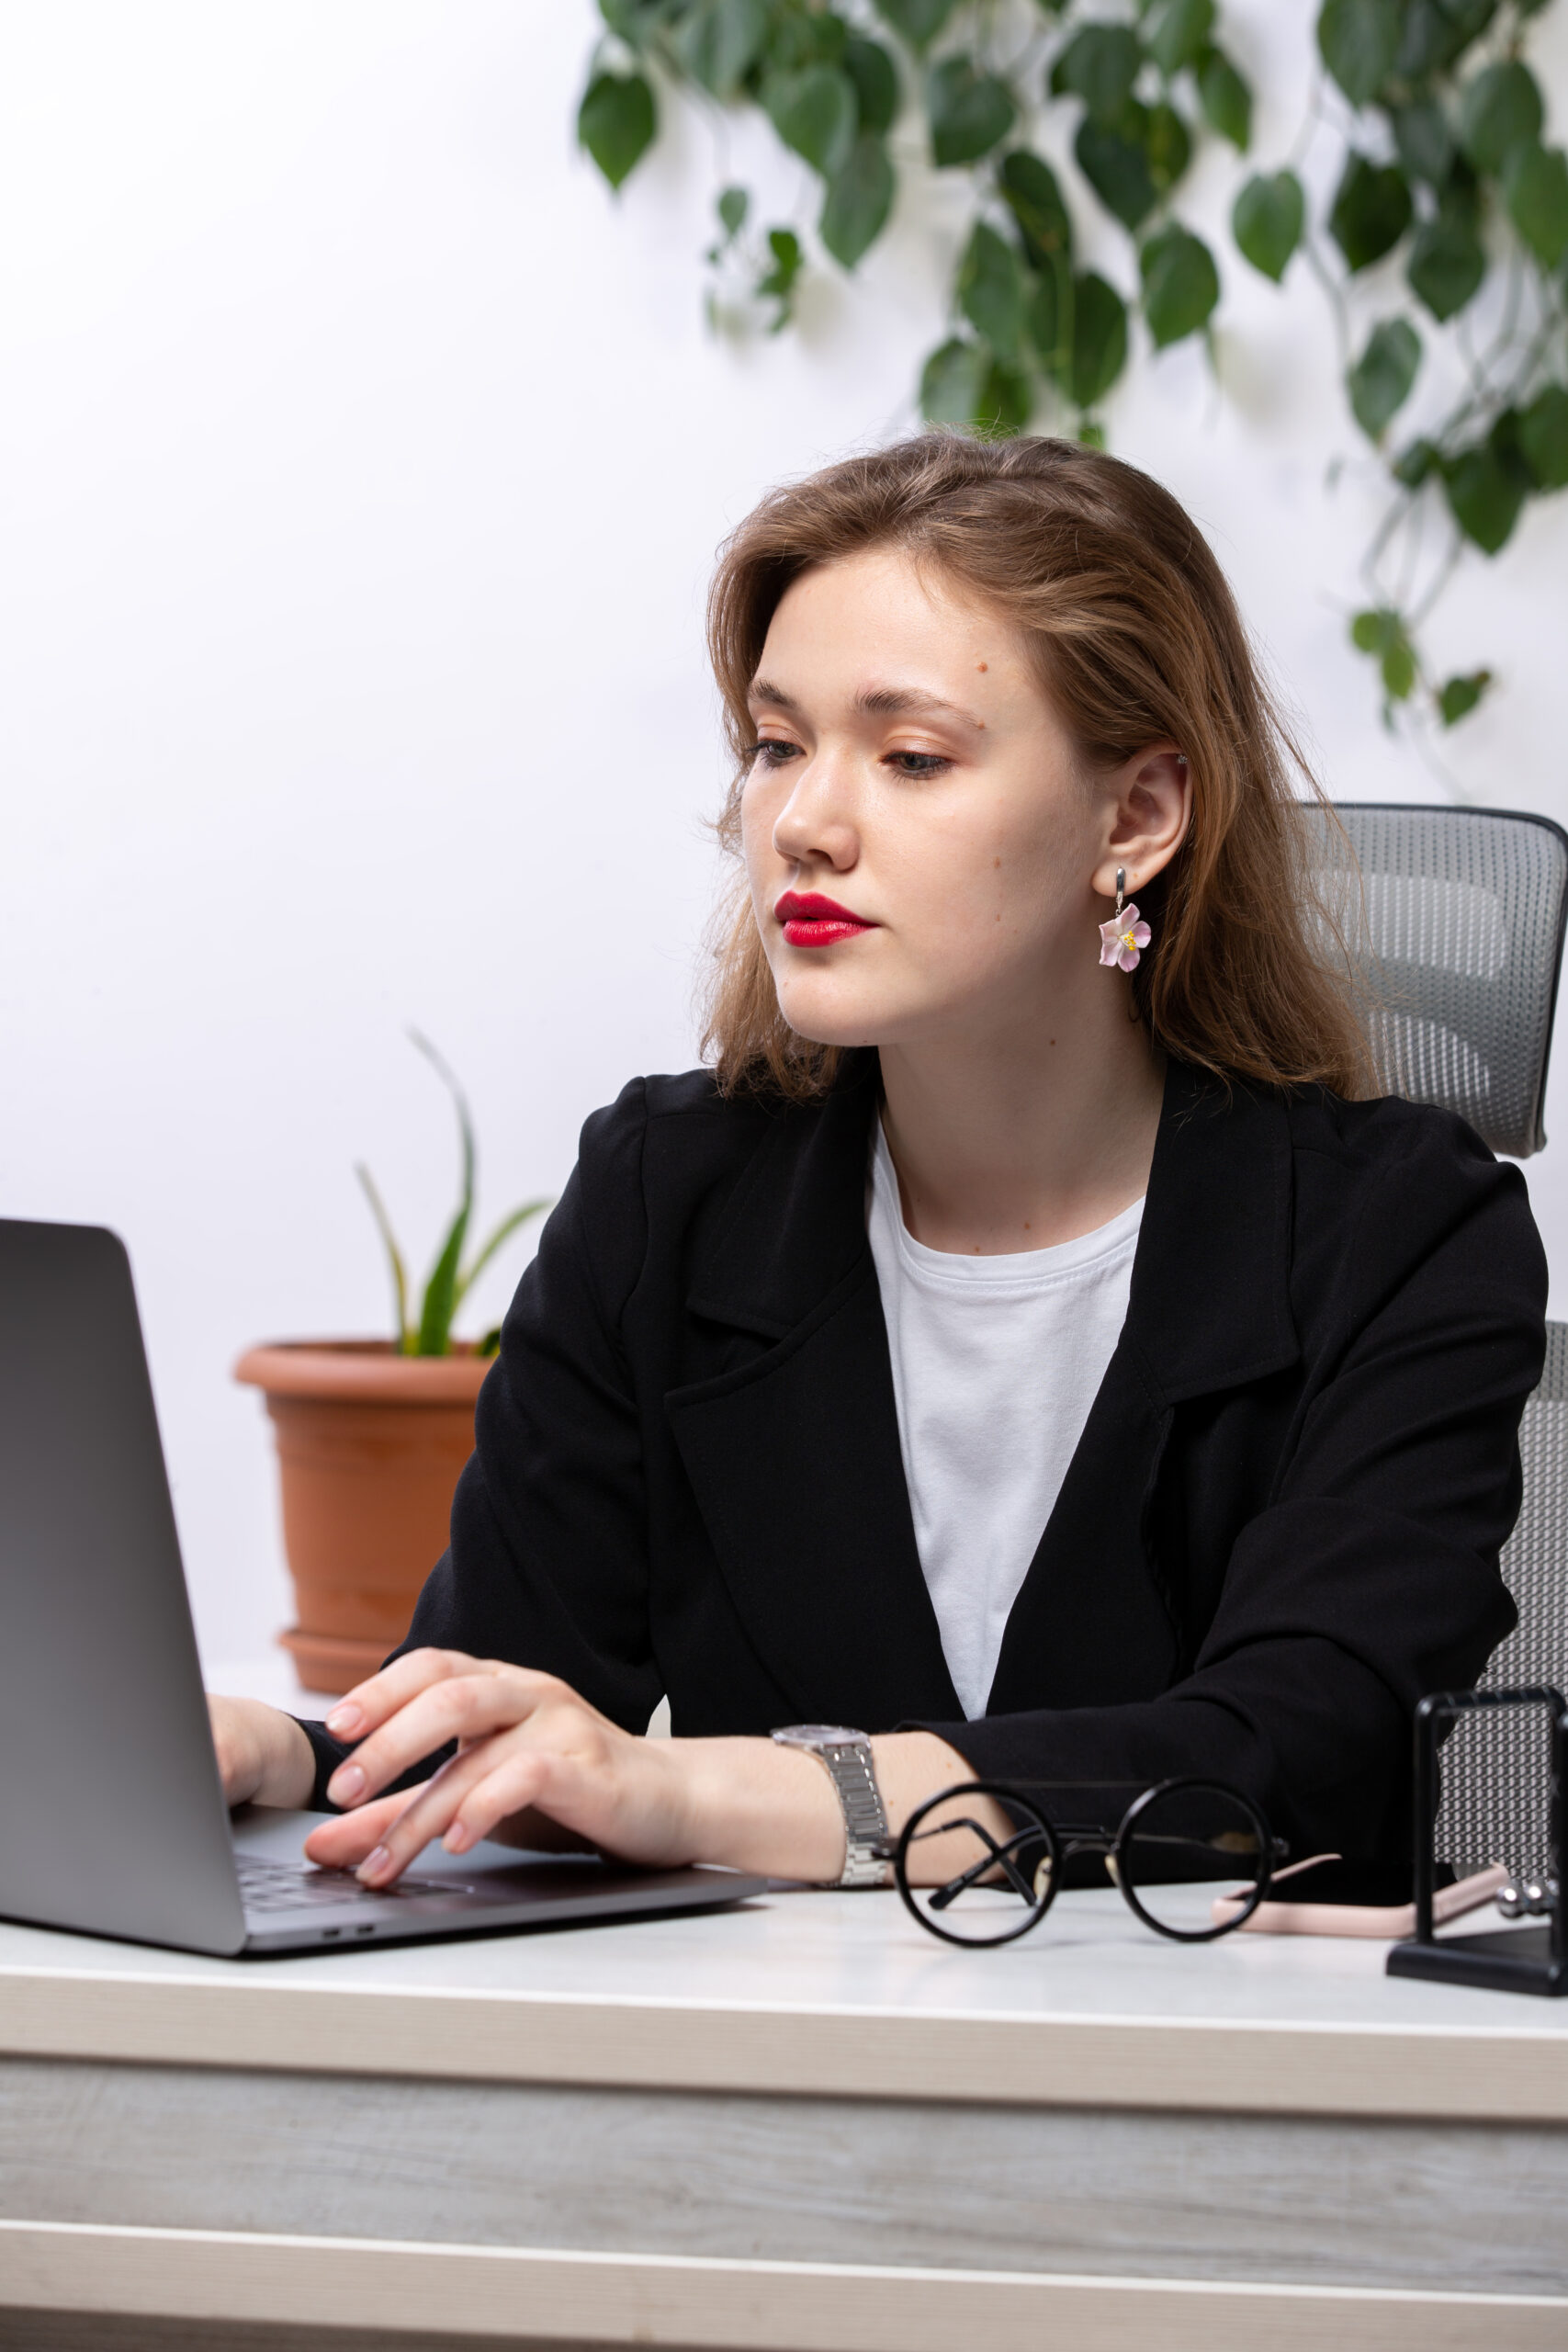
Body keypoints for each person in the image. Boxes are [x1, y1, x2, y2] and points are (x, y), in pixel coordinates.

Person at [210, 433, 1546, 1895]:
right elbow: (514, 1707)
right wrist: (282, 1753)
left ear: (1139, 817)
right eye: (779, 745)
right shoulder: (670, 1198)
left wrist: (701, 1792)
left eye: (910, 757)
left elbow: (1282, 1750)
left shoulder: (1401, 1231)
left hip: (1230, 2091)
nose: (802, 823)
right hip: (783, 2093)